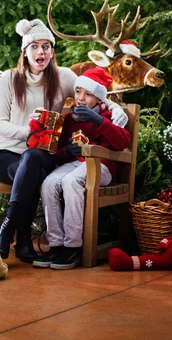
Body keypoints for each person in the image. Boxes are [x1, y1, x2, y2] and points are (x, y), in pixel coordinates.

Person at [0, 19, 128, 264]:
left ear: (52, 52)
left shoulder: (63, 77)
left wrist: (113, 107)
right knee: (30, 168)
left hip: (40, 152)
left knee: (33, 160)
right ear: (25, 52)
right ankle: (20, 237)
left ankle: (9, 230)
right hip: (7, 153)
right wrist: (27, 132)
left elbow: (90, 90)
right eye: (34, 46)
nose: (40, 52)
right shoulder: (9, 78)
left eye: (46, 46)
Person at [33, 67, 131, 270]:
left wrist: (99, 121)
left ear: (98, 98)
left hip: (101, 166)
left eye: (88, 94)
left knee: (71, 182)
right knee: (49, 183)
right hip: (75, 163)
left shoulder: (108, 115)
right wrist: (66, 151)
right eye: (78, 92)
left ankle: (73, 247)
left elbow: (123, 141)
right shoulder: (70, 119)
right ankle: (56, 243)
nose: (81, 98)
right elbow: (58, 151)